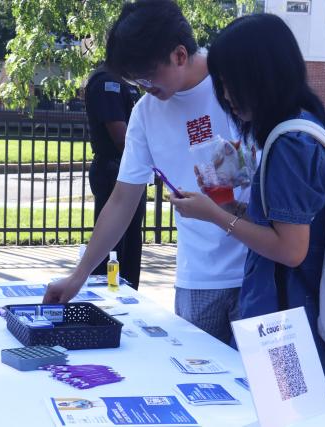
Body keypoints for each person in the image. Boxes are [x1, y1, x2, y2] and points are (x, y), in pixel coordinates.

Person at [44, 0, 249, 345]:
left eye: (147, 76)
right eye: (134, 80)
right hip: (198, 279)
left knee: (269, 393)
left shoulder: (235, 83)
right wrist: (78, 277)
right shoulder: (145, 114)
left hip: (259, 271)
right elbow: (122, 200)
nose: (143, 87)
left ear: (179, 55)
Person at [170, 14, 325, 407]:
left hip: (287, 320)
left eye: (231, 83)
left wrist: (217, 216)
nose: (226, 96)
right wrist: (229, 205)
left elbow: (290, 248)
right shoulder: (301, 127)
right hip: (289, 313)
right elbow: (284, 225)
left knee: (289, 413)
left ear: (261, 75)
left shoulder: (290, 142)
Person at [84, 65, 145, 289]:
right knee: (113, 243)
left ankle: (128, 291)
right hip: (114, 166)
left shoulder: (124, 81)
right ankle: (109, 293)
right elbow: (120, 136)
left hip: (127, 166)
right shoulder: (107, 82)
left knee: (130, 241)